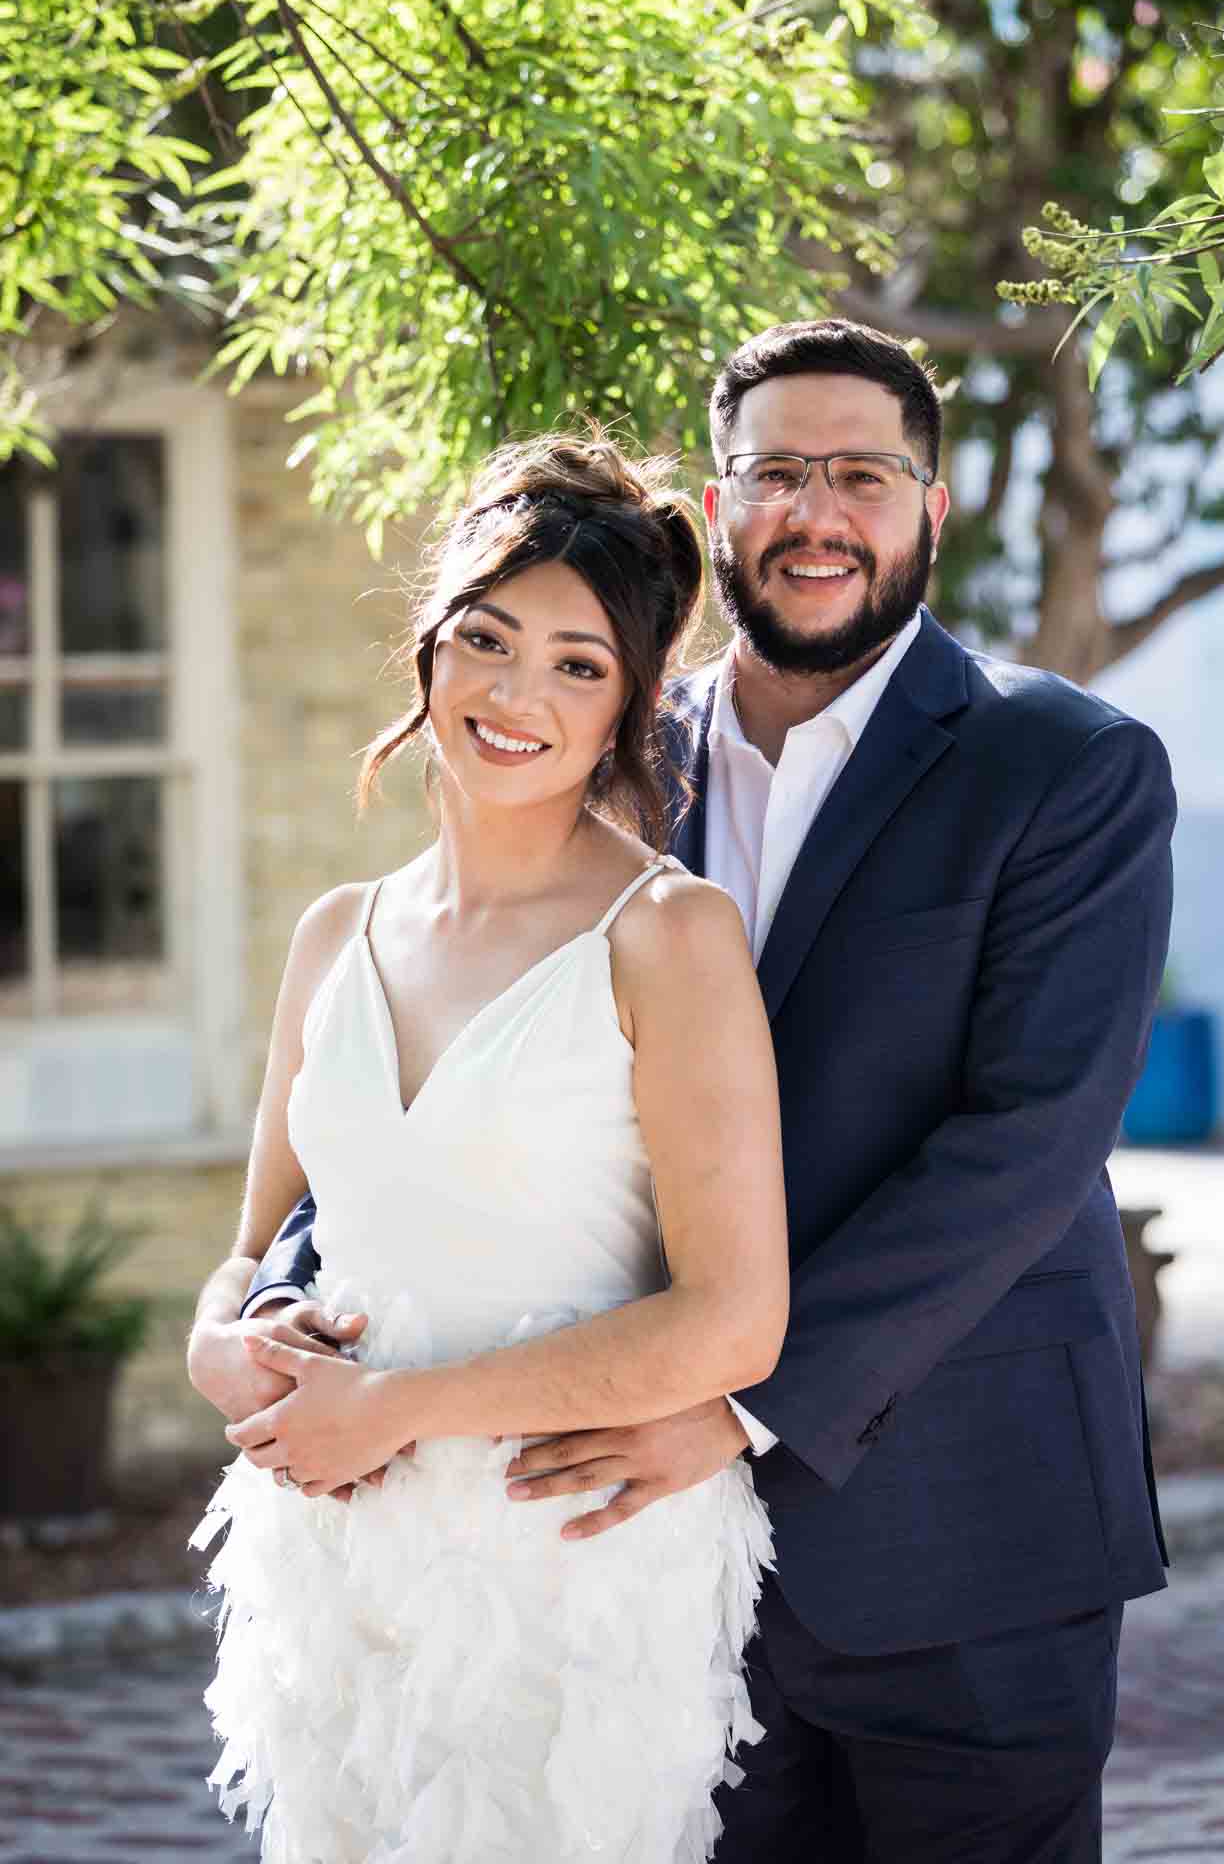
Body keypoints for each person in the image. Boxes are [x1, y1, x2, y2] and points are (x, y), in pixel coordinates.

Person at [213, 318, 1176, 1863]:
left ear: (930, 508)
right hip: (625, 1548)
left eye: (862, 474)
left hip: (956, 1521)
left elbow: (1027, 1142)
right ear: (719, 509)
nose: (819, 510)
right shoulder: (599, 732)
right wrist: (269, 1297)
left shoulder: (1060, 765)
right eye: (776, 471)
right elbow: (452, 1076)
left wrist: (733, 1406)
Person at [185, 434, 789, 1864]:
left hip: (568, 1564)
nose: (518, 695)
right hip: (330, 1548)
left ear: (626, 708)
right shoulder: (338, 930)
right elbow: (251, 1245)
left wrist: (396, 1408)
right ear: (428, 654)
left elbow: (735, 1319)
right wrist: (225, 1347)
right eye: (487, 640)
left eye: (577, 666)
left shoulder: (668, 935)